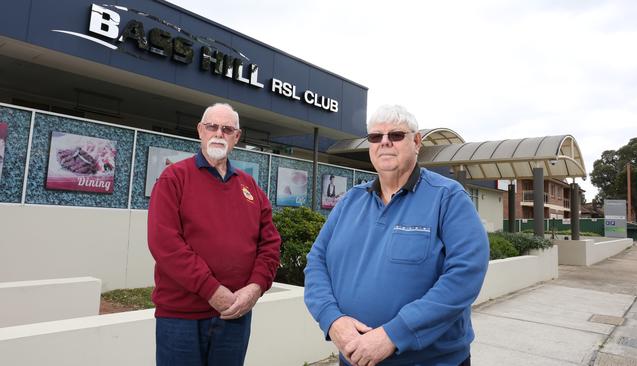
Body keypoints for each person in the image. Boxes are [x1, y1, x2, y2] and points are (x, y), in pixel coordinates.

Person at [304, 104, 489, 366]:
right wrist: (332, 319)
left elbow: (465, 275)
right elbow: (316, 263)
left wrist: (394, 334)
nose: (385, 143)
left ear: (416, 142)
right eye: (376, 137)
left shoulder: (448, 197)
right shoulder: (349, 202)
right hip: (354, 358)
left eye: (396, 135)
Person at [148, 102, 281, 366]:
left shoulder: (250, 186)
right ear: (200, 130)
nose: (219, 133)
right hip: (180, 318)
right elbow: (165, 243)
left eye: (227, 129)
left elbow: (270, 244)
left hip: (235, 315)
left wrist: (255, 289)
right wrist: (211, 290)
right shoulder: (174, 178)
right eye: (212, 127)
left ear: (237, 137)